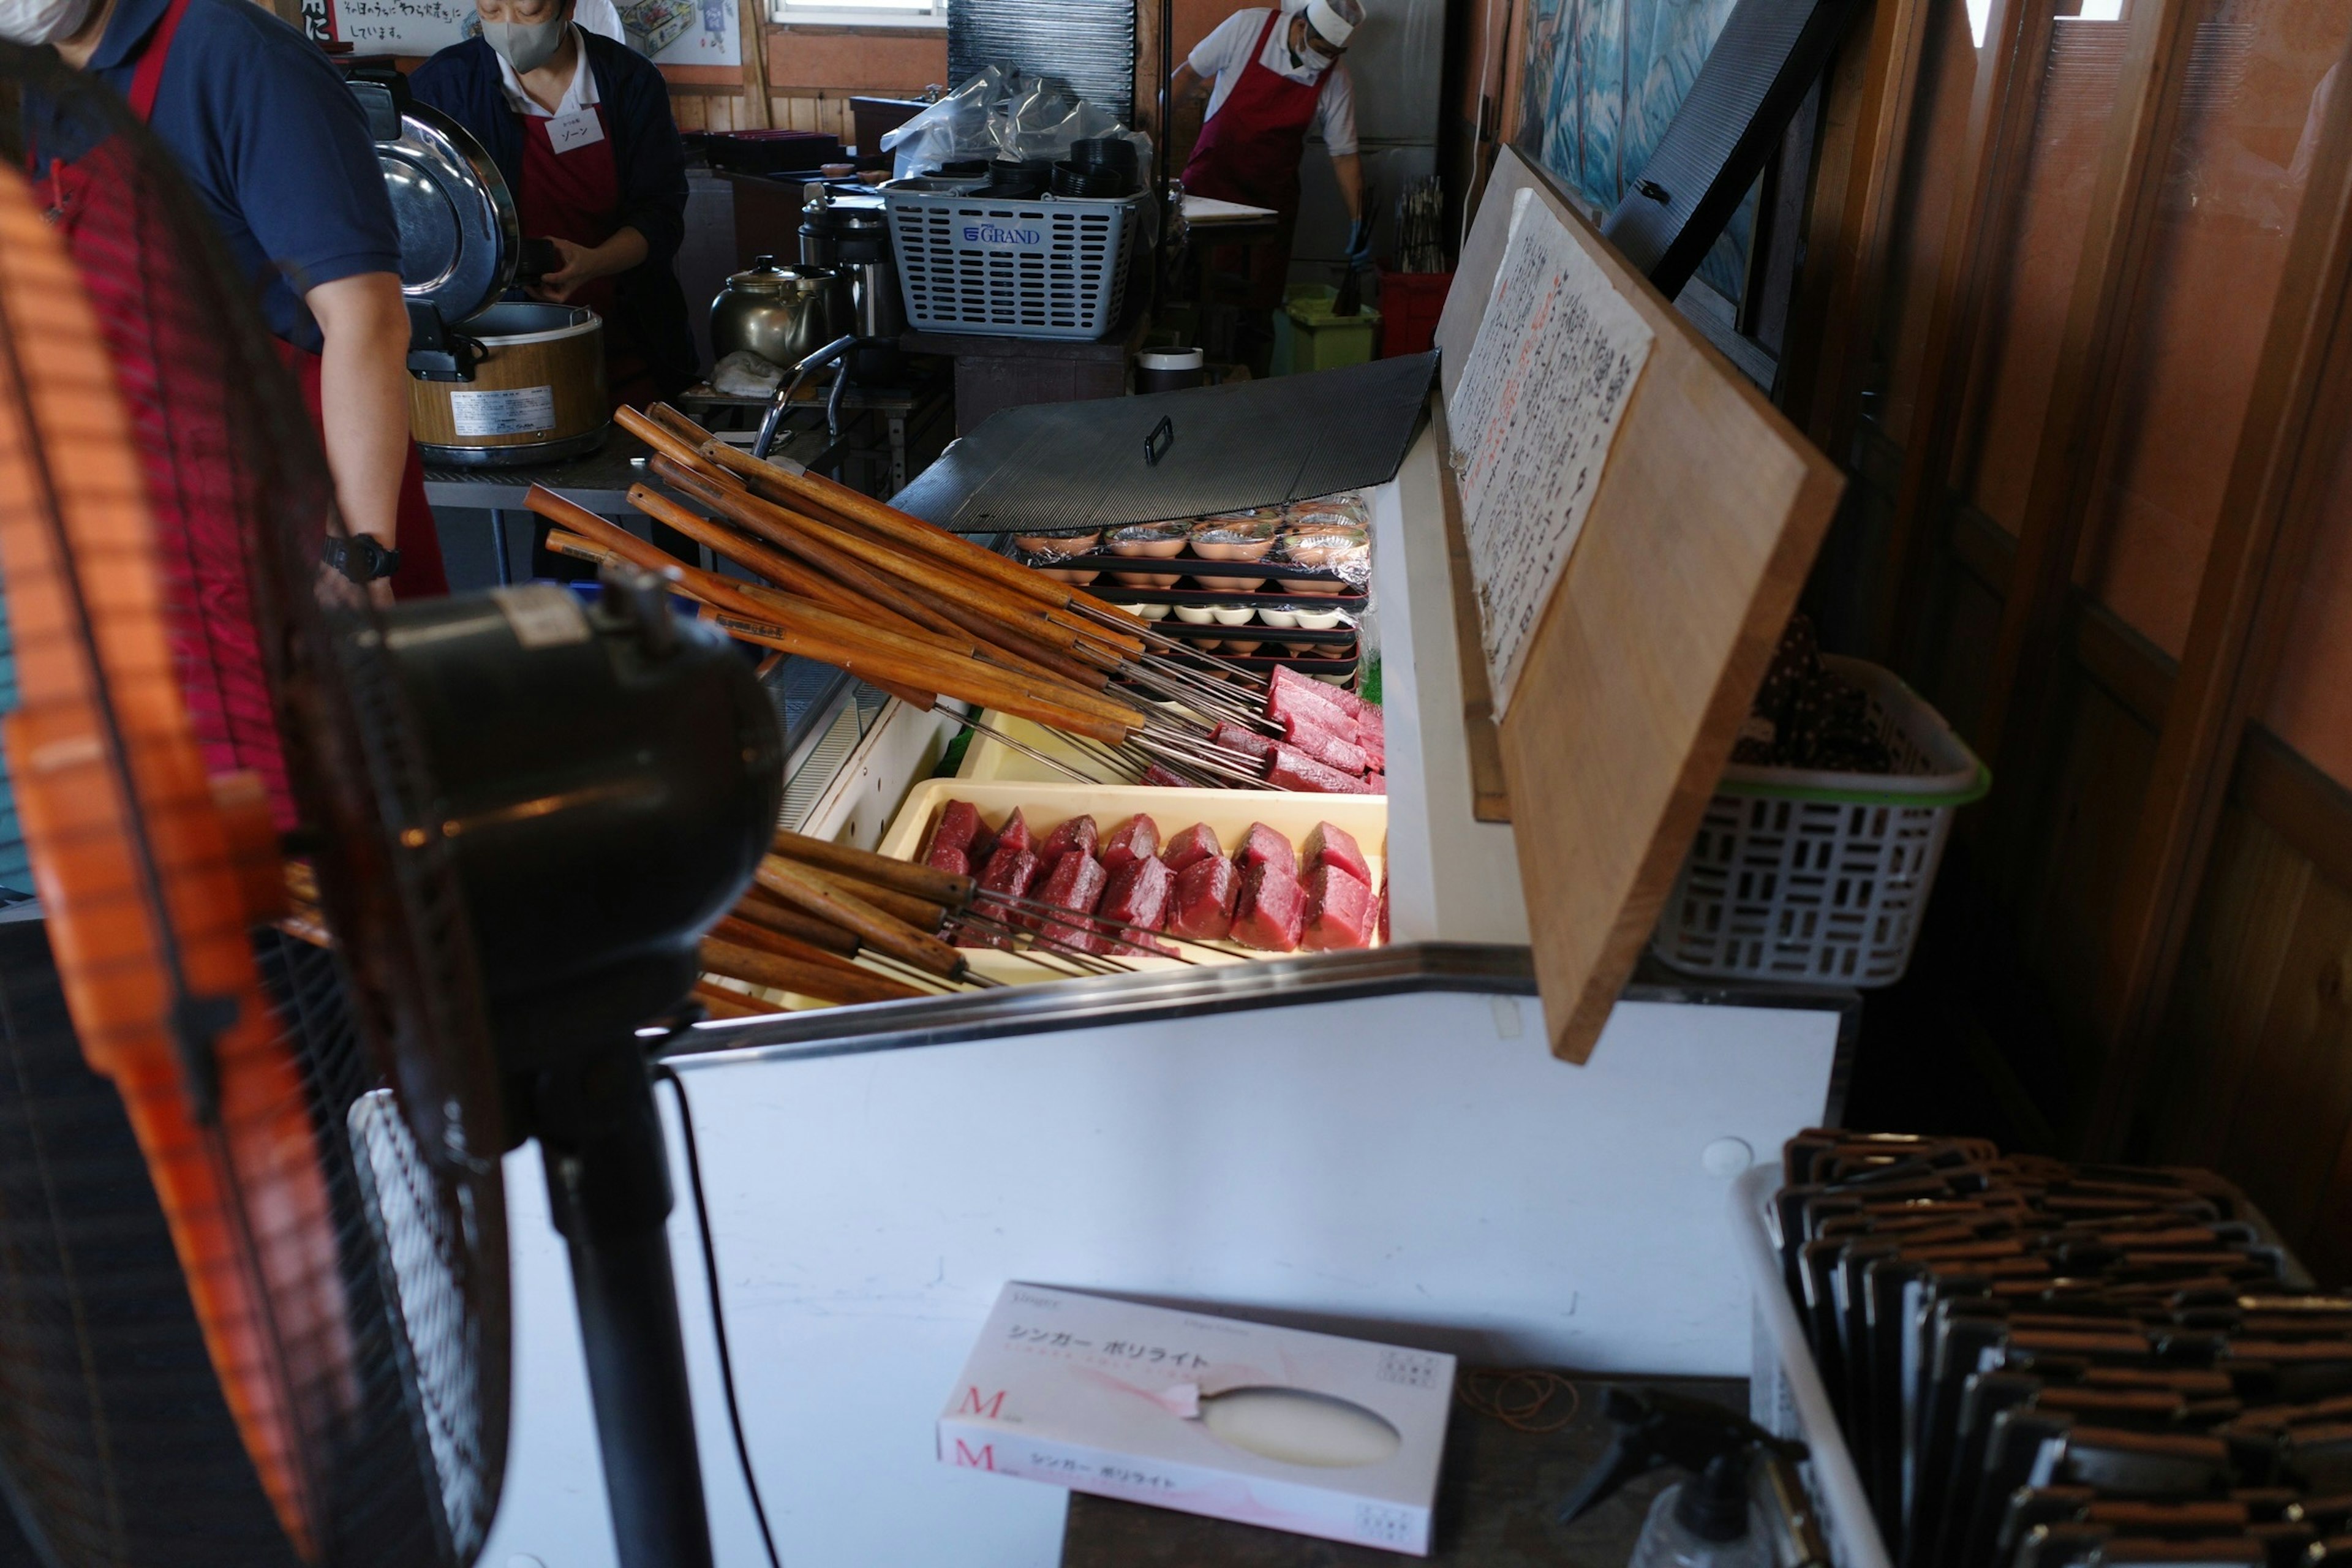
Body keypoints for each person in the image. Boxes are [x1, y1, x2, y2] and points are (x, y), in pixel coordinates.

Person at [4, 0, 447, 602]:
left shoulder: (240, 57)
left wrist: (356, 559)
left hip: (296, 541)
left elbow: (365, 319)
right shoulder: (43, 88)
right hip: (148, 547)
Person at [410, 0, 696, 410]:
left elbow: (661, 214)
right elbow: (427, 226)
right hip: (497, 353)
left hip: (628, 335)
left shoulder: (629, 80)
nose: (509, 27)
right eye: (491, 12)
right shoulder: (444, 86)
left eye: (529, 13)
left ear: (569, 7)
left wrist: (594, 262)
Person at [1172, 0, 1367, 367]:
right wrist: (1151, 130)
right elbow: (1188, 74)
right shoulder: (1248, 28)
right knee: (1191, 300)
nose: (1326, 61)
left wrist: (1358, 220)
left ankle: (1252, 397)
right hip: (1210, 192)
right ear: (1301, 27)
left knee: (1256, 314)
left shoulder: (1335, 78)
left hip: (1269, 205)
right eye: (1322, 50)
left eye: (1336, 54)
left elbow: (1344, 156)